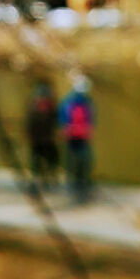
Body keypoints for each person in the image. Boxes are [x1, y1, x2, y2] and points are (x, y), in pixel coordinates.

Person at [59, 76, 94, 205]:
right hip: (77, 136)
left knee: (78, 159)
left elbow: (90, 118)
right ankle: (77, 180)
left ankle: (77, 180)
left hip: (77, 135)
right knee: (79, 159)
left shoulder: (75, 101)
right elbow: (91, 118)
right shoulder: (80, 102)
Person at [26, 81, 59, 189]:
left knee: (51, 161)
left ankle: (49, 179)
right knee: (36, 161)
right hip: (37, 140)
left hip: (48, 140)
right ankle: (38, 180)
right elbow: (30, 123)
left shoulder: (52, 108)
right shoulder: (33, 108)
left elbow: (56, 123)